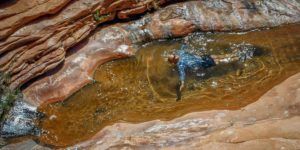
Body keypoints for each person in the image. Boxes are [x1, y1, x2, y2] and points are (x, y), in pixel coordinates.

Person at [168, 43, 254, 101]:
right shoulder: (181, 53)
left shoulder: (180, 65)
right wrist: (185, 41)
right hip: (204, 57)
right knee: (220, 57)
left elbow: (182, 76)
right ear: (176, 56)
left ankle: (239, 57)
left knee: (222, 60)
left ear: (173, 62)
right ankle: (237, 53)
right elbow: (183, 46)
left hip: (204, 63)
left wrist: (181, 86)